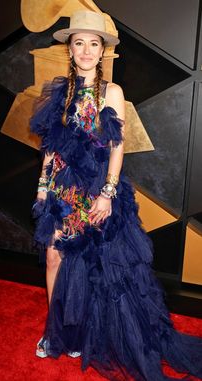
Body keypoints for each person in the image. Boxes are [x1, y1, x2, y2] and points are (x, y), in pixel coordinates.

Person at [30, 10, 202, 381]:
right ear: (70, 50)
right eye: (80, 43)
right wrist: (43, 186)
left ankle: (86, 334)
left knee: (97, 269)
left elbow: (117, 146)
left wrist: (107, 193)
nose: (87, 50)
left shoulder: (112, 92)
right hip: (62, 188)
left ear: (103, 51)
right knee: (54, 259)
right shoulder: (61, 90)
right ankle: (57, 332)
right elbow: (51, 145)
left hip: (95, 189)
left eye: (94, 43)